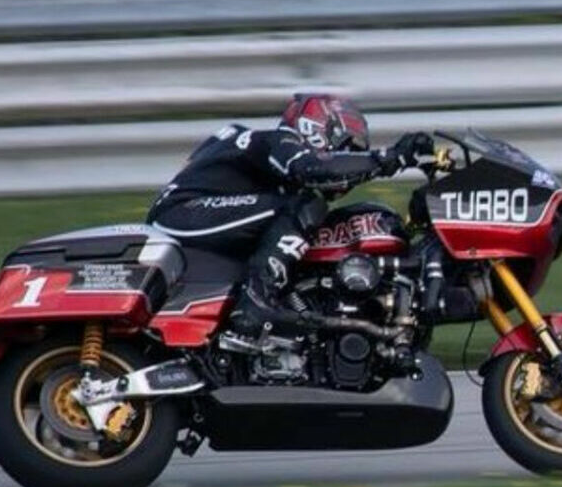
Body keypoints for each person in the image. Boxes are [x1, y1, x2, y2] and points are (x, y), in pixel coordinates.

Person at [146, 93, 433, 339]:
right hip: (184, 211)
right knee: (303, 206)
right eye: (346, 148)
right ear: (319, 127)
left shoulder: (266, 155)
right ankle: (257, 299)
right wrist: (390, 158)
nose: (347, 159)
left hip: (204, 215)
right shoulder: (280, 141)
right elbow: (311, 168)